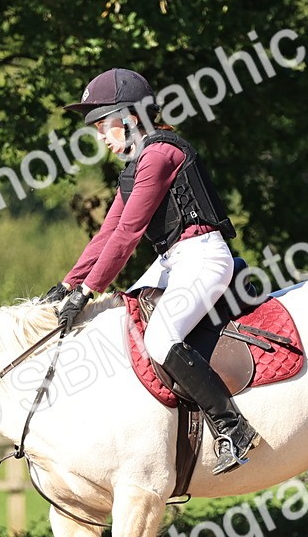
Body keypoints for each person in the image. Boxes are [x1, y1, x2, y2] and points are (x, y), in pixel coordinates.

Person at [42, 67, 259, 475]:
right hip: (173, 261)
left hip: (203, 257)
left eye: (103, 126)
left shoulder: (159, 155)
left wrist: (87, 291)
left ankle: (233, 428)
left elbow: (128, 234)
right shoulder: (137, 164)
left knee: (160, 339)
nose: (101, 138)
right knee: (120, 321)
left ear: (129, 117)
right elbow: (107, 234)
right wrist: (68, 284)